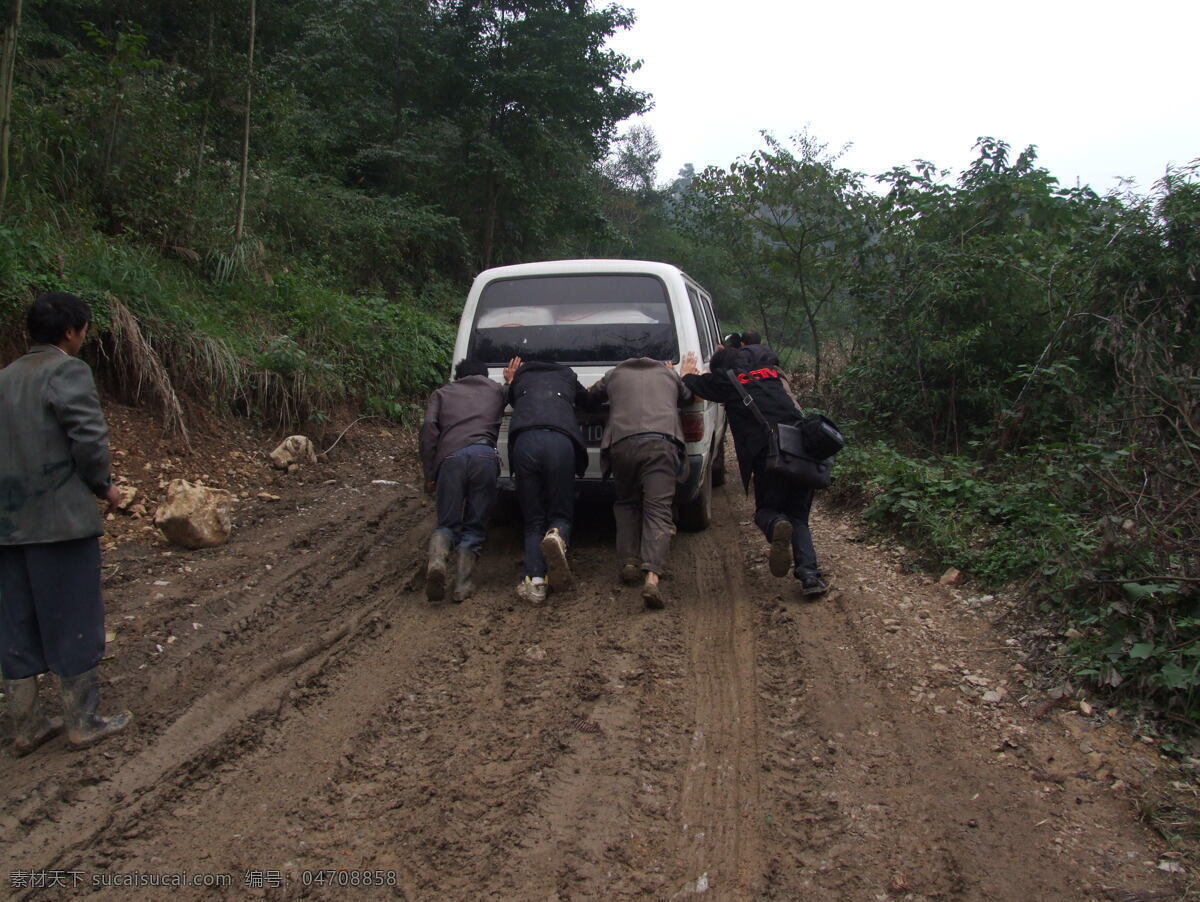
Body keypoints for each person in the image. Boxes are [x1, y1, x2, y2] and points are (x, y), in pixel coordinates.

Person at [0, 292, 133, 755]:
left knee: (15, 621)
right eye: (83, 329)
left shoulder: (4, 378)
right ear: (72, 331)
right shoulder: (67, 371)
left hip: (6, 524)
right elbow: (89, 438)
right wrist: (104, 487)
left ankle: (26, 725)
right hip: (58, 521)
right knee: (73, 614)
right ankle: (82, 720)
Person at [681, 343, 828, 597]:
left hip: (769, 456)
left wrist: (686, 372)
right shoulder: (770, 372)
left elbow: (696, 384)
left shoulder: (728, 382)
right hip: (801, 450)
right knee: (799, 517)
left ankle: (776, 525)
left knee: (766, 511)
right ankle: (810, 577)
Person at [588, 354, 696, 609]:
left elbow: (590, 396)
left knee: (626, 503)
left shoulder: (614, 374)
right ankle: (652, 578)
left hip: (622, 446)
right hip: (660, 445)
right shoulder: (668, 374)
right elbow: (690, 397)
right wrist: (683, 373)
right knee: (658, 509)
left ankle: (629, 563)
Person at [503, 355, 589, 603]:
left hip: (525, 442)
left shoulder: (520, 377)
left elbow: (513, 397)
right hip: (560, 443)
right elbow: (589, 400)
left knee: (532, 520)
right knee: (560, 513)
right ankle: (557, 535)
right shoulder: (567, 375)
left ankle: (536, 582)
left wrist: (511, 380)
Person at [419, 359, 507, 603]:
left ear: (457, 377)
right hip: (483, 456)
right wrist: (510, 379)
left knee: (447, 522)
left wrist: (430, 474)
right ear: (484, 374)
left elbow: (428, 428)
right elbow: (513, 391)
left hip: (451, 459)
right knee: (475, 524)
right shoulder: (496, 389)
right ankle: (462, 584)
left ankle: (437, 561)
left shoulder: (441, 393)